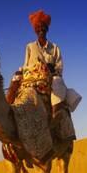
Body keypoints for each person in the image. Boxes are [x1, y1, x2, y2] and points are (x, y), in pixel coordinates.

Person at [8, 9, 77, 142]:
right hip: (32, 77)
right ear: (35, 30)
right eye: (38, 27)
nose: (41, 29)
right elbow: (26, 64)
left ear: (47, 29)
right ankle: (8, 115)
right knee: (14, 84)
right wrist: (22, 72)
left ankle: (55, 114)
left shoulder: (55, 48)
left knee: (58, 84)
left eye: (43, 27)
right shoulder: (30, 47)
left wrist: (53, 69)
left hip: (50, 78)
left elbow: (59, 67)